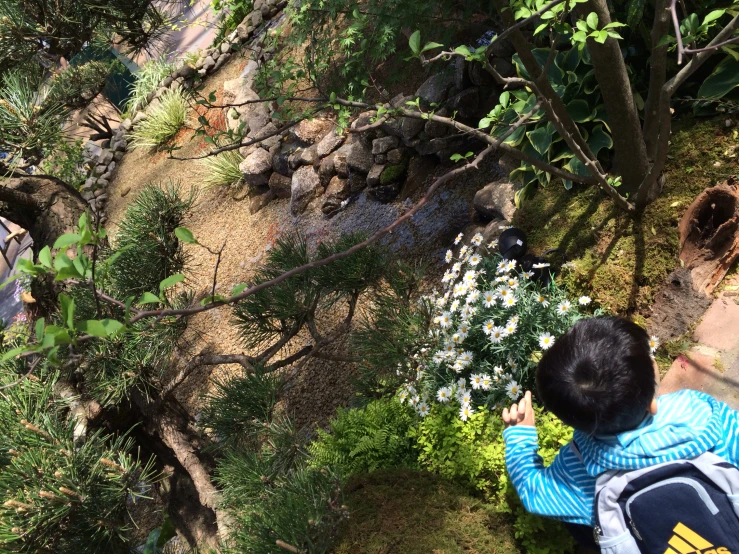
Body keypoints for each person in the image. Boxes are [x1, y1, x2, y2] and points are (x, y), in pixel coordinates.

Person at [502, 316, 739, 549]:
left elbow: (535, 493)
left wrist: (519, 437)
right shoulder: (703, 415)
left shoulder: (578, 467)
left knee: (585, 521)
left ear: (568, 421)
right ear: (651, 402)